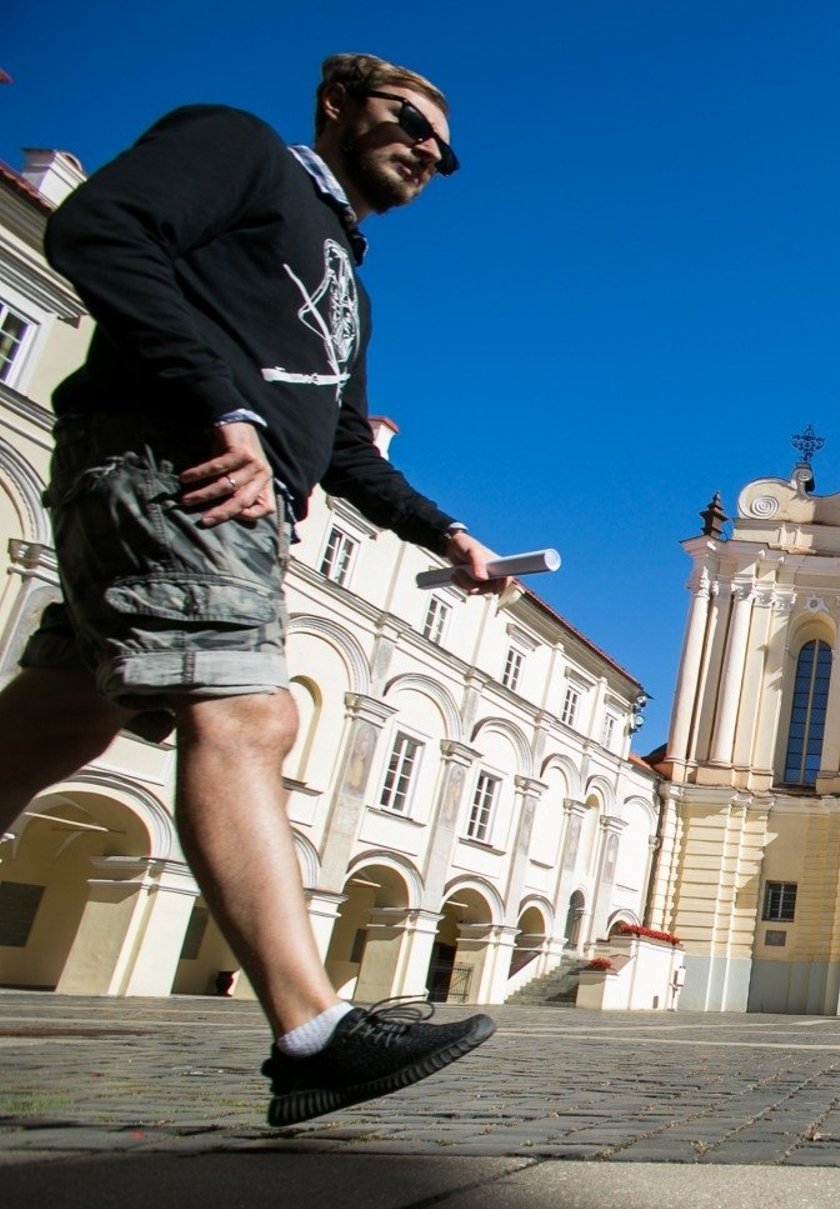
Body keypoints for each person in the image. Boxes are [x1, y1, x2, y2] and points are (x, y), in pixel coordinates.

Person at [0, 54, 509, 1128]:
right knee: (248, 710)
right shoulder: (237, 149)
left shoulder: (347, 283)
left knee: (44, 732)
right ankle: (313, 1031)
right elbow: (95, 230)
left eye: (443, 149)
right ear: (336, 103)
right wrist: (220, 401)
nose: (426, 149)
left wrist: (446, 530)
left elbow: (336, 448)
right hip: (175, 468)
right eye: (408, 120)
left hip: (222, 497)